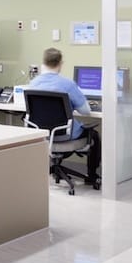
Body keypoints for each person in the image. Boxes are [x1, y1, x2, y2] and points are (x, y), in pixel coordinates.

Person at [28, 47, 101, 182]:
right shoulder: (67, 84)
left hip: (42, 135)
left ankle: (56, 169)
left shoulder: (33, 84)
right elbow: (85, 111)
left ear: (43, 63)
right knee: (94, 135)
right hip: (64, 136)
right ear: (60, 64)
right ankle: (92, 176)